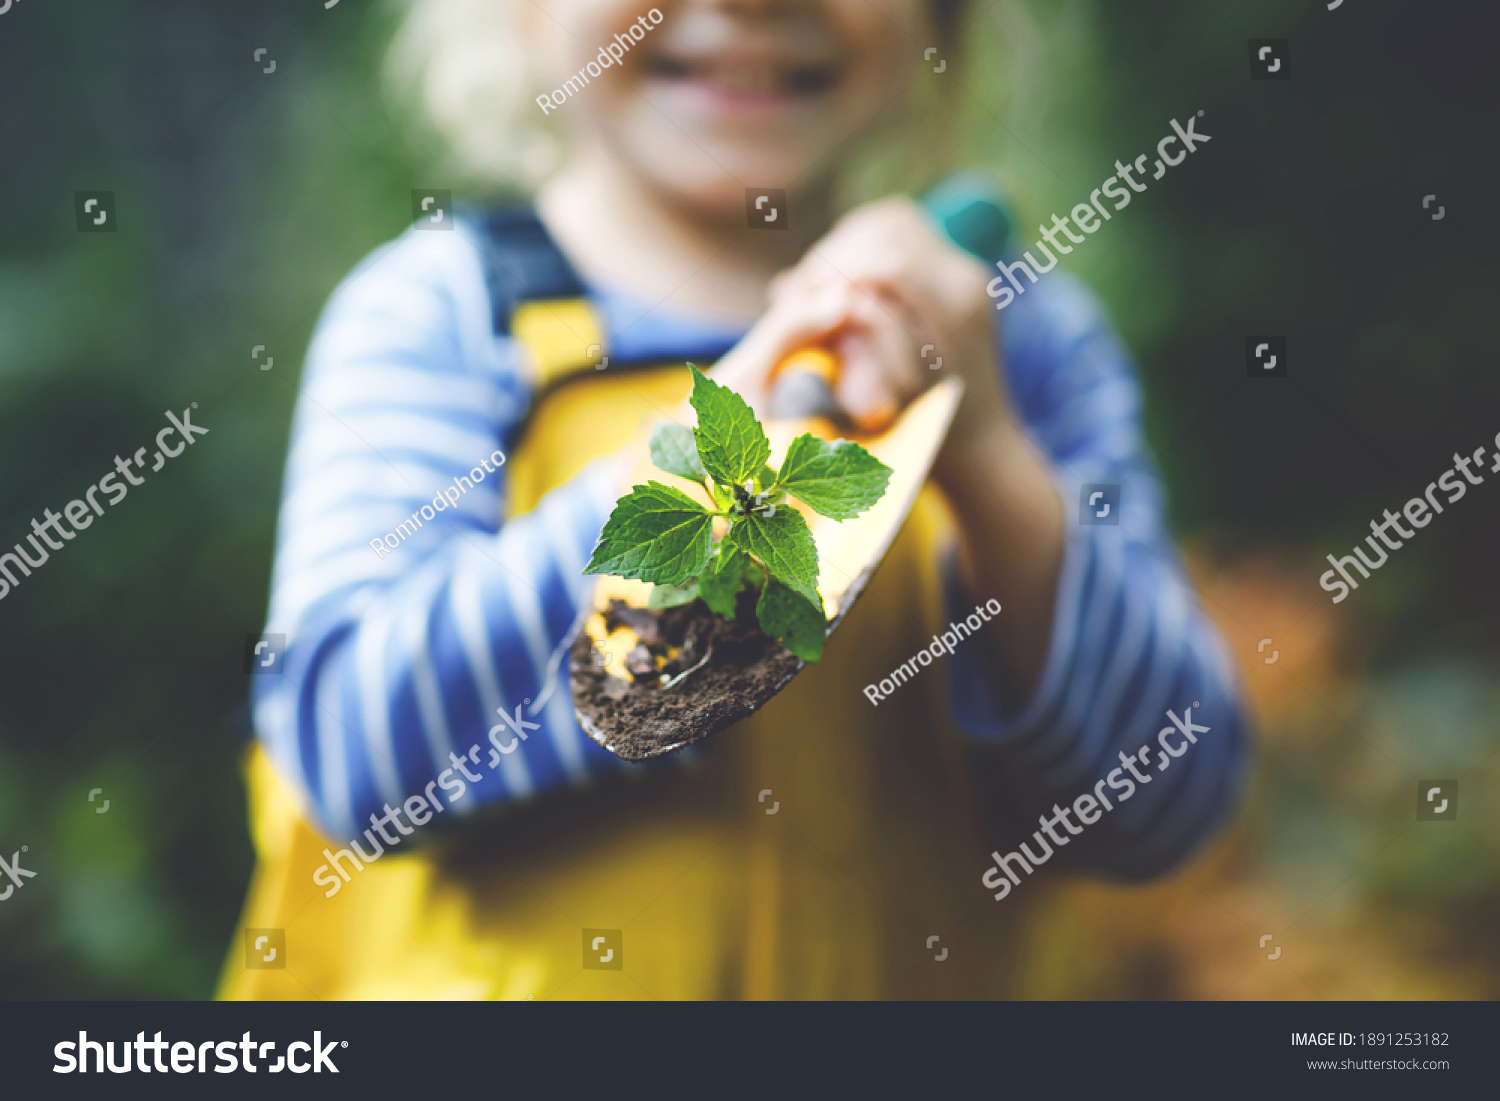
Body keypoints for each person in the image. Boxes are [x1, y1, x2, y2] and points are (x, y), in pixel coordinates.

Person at [220, 0, 1248, 999]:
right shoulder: (445, 318)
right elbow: (356, 756)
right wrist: (701, 489)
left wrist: (983, 453)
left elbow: (1168, 806)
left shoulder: (1017, 343)